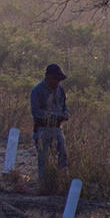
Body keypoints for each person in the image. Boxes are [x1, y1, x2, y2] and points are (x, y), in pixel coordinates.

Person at [30, 63, 70, 193]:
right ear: (47, 77)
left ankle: (61, 182)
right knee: (43, 158)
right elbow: (36, 112)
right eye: (55, 79)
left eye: (59, 80)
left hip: (57, 128)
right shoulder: (37, 91)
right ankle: (43, 186)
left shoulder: (60, 89)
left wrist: (65, 114)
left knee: (62, 154)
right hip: (42, 129)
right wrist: (55, 115)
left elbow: (64, 106)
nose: (57, 82)